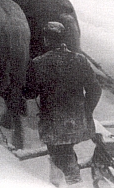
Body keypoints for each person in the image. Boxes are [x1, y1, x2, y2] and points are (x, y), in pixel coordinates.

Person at [23, 22, 102, 186]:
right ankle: (57, 183)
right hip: (78, 122)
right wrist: (86, 111)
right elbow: (95, 90)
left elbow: (29, 93)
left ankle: (74, 184)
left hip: (54, 125)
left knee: (64, 160)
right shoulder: (80, 60)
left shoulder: (39, 63)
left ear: (46, 40)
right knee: (65, 154)